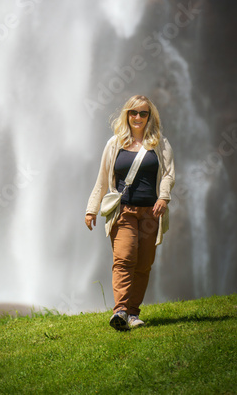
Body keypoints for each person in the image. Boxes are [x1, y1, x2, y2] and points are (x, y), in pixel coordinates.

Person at [85, 95, 175, 331]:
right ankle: (121, 311)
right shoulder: (114, 144)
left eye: (143, 113)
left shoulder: (160, 143)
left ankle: (133, 313)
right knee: (123, 258)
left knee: (143, 264)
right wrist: (91, 210)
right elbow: (103, 179)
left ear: (150, 117)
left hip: (150, 213)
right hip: (123, 211)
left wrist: (164, 197)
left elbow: (168, 174)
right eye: (133, 112)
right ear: (126, 115)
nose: (137, 117)